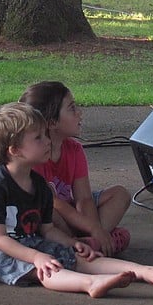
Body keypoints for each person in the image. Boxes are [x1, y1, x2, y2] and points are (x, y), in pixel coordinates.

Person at [0, 102, 153, 296]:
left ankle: (141, 271)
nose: (47, 141)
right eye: (38, 138)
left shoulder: (39, 184)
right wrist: (36, 257)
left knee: (78, 258)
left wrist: (71, 243)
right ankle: (89, 283)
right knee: (46, 269)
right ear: (15, 150)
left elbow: (47, 230)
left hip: (32, 242)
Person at [19, 81, 131, 256]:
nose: (79, 113)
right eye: (72, 108)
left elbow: (84, 198)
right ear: (52, 122)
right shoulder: (35, 157)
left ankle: (91, 243)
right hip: (50, 216)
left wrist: (94, 229)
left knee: (120, 194)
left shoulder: (74, 149)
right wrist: (93, 228)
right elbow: (54, 203)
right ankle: (79, 244)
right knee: (51, 211)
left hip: (73, 211)